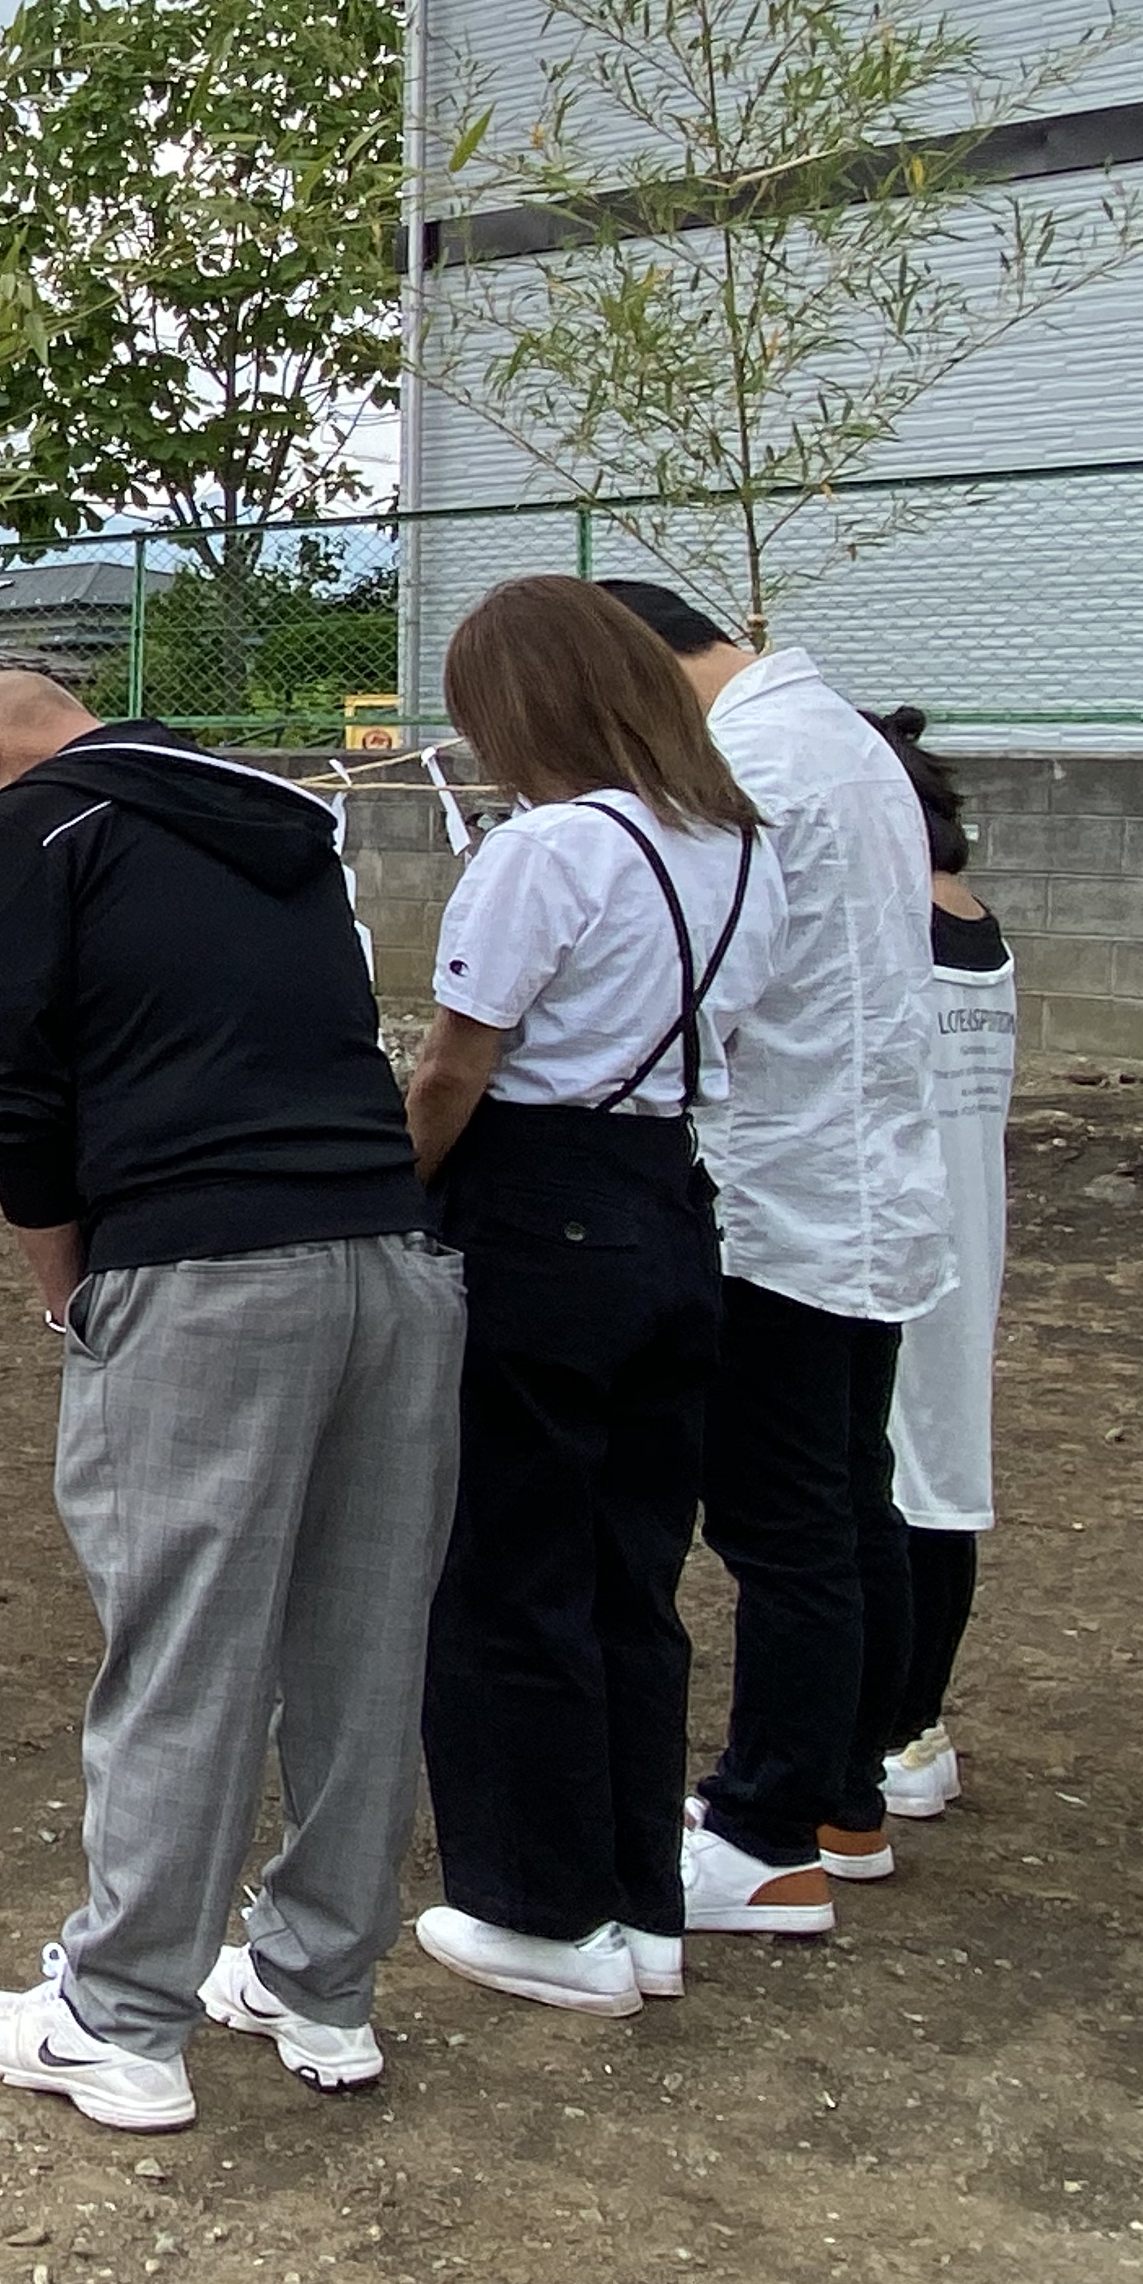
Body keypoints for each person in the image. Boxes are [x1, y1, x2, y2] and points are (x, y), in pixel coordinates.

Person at [0, 667, 459, 2132]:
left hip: (206, 1269)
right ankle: (319, 1983)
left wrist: (64, 1281)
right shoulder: (278, 820)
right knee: (362, 1634)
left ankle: (122, 2017)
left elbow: (14, 1084)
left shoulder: (32, 827)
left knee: (186, 1635)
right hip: (394, 1261)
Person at [398, 579, 787, 2019]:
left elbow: (455, 1066)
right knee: (633, 1567)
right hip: (668, 1202)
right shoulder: (735, 843)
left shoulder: (550, 848)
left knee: (510, 1561)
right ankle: (638, 1891)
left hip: (534, 1204)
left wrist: (393, 1191)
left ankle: (535, 1905)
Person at [600, 580, 952, 1934]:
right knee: (847, 1497)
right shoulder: (842, 735)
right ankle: (841, 1799)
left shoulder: (751, 763)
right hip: (855, 1180)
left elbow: (696, 978)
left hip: (782, 1196)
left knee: (781, 1518)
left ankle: (765, 1832)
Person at [868, 708, 1013, 1821]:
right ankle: (915, 1725)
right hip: (961, 1226)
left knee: (898, 1480)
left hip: (900, 1234)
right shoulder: (972, 917)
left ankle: (896, 1730)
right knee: (938, 1471)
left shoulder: (898, 922)